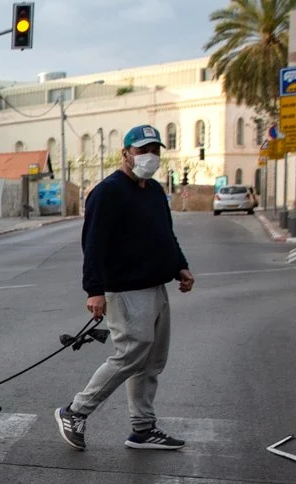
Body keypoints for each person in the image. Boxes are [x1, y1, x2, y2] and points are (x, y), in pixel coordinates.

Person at [54, 124, 195, 452]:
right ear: (126, 154)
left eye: (155, 151)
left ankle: (142, 429)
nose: (150, 157)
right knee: (132, 352)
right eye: (143, 150)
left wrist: (180, 266)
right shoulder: (108, 192)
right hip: (125, 290)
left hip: (156, 288)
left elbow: (166, 235)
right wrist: (94, 290)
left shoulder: (155, 191)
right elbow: (93, 243)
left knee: (152, 361)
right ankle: (75, 411)